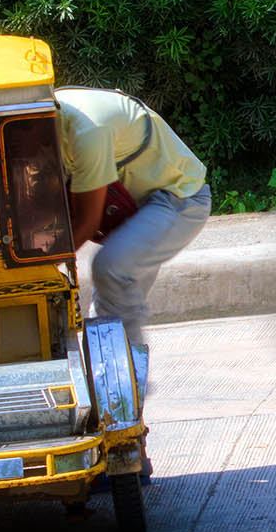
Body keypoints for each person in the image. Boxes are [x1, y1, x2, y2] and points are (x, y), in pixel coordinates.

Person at [55, 87, 212, 363]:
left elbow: (87, 222)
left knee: (110, 267)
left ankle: (126, 379)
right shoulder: (40, 121)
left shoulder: (86, 131)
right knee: (109, 307)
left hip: (179, 199)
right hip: (136, 205)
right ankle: (110, 375)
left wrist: (39, 268)